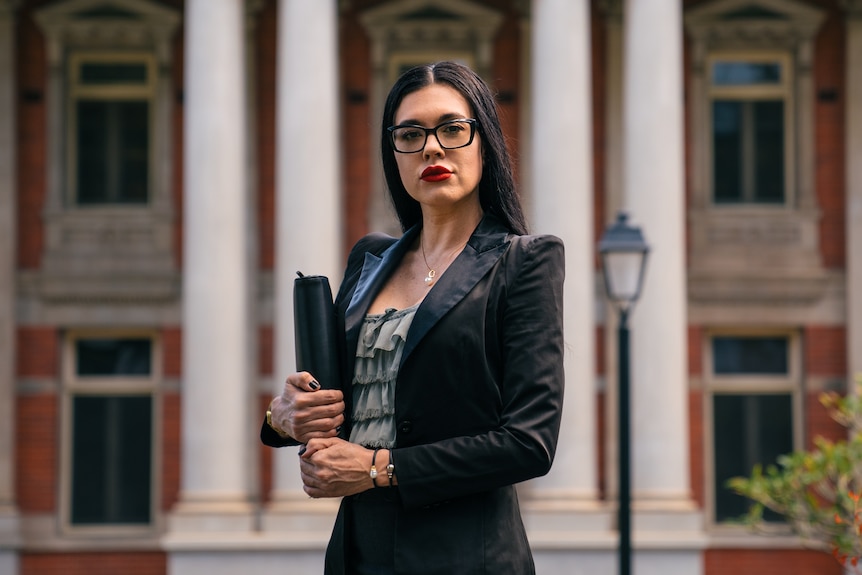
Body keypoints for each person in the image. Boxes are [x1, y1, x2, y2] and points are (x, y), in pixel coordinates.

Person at [261, 60, 565, 575]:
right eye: (410, 134)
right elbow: (334, 402)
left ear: (484, 142)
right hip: (359, 554)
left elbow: (529, 443)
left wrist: (379, 468)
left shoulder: (524, 261)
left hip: (468, 557)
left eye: (452, 129)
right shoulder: (369, 260)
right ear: (394, 155)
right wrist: (283, 418)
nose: (431, 147)